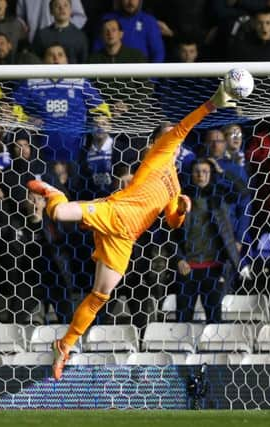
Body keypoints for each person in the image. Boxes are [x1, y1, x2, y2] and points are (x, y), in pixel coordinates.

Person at [26, 81, 237, 380]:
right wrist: (212, 104)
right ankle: (50, 189)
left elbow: (172, 223)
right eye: (166, 137)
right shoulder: (158, 155)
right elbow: (182, 129)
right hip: (113, 210)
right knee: (59, 212)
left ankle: (65, 345)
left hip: (125, 238)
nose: (173, 140)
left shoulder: (175, 184)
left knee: (100, 295)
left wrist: (182, 209)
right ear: (157, 143)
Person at [174, 158, 245, 323]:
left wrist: (222, 172)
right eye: (197, 171)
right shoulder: (182, 198)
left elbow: (243, 191)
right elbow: (172, 233)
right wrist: (178, 259)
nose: (201, 175)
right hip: (188, 268)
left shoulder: (219, 196)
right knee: (182, 320)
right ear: (191, 174)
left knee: (215, 321)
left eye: (205, 171)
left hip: (214, 269)